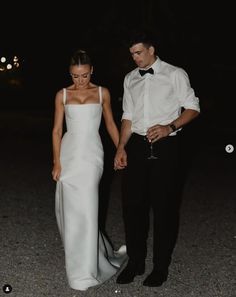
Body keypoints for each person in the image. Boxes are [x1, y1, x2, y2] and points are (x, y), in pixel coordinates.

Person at [114, 30, 200, 287]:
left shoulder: (175, 74)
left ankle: (160, 267)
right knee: (132, 207)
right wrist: (120, 147)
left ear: (152, 50)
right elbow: (127, 116)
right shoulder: (130, 78)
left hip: (167, 146)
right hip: (137, 146)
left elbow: (193, 108)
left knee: (164, 209)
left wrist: (169, 127)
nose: (135, 58)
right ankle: (136, 263)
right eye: (131, 54)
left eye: (138, 52)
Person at [51, 49, 127, 291]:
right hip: (69, 154)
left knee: (87, 205)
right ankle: (79, 268)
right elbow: (56, 131)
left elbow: (111, 124)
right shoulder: (62, 95)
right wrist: (56, 162)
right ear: (70, 73)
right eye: (75, 76)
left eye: (83, 75)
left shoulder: (102, 92)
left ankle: (88, 269)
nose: (80, 81)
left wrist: (121, 149)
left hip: (92, 155)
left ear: (91, 71)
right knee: (73, 210)